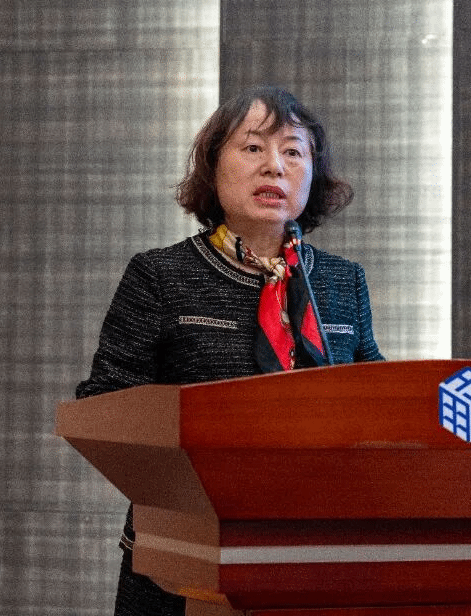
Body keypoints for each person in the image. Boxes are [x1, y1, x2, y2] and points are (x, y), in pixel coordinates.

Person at [75, 85, 384, 616]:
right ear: (213, 166)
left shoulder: (342, 281)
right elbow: (106, 405)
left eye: (293, 151)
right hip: (184, 556)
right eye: (253, 147)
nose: (274, 166)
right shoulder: (160, 276)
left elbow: (378, 399)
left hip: (317, 555)